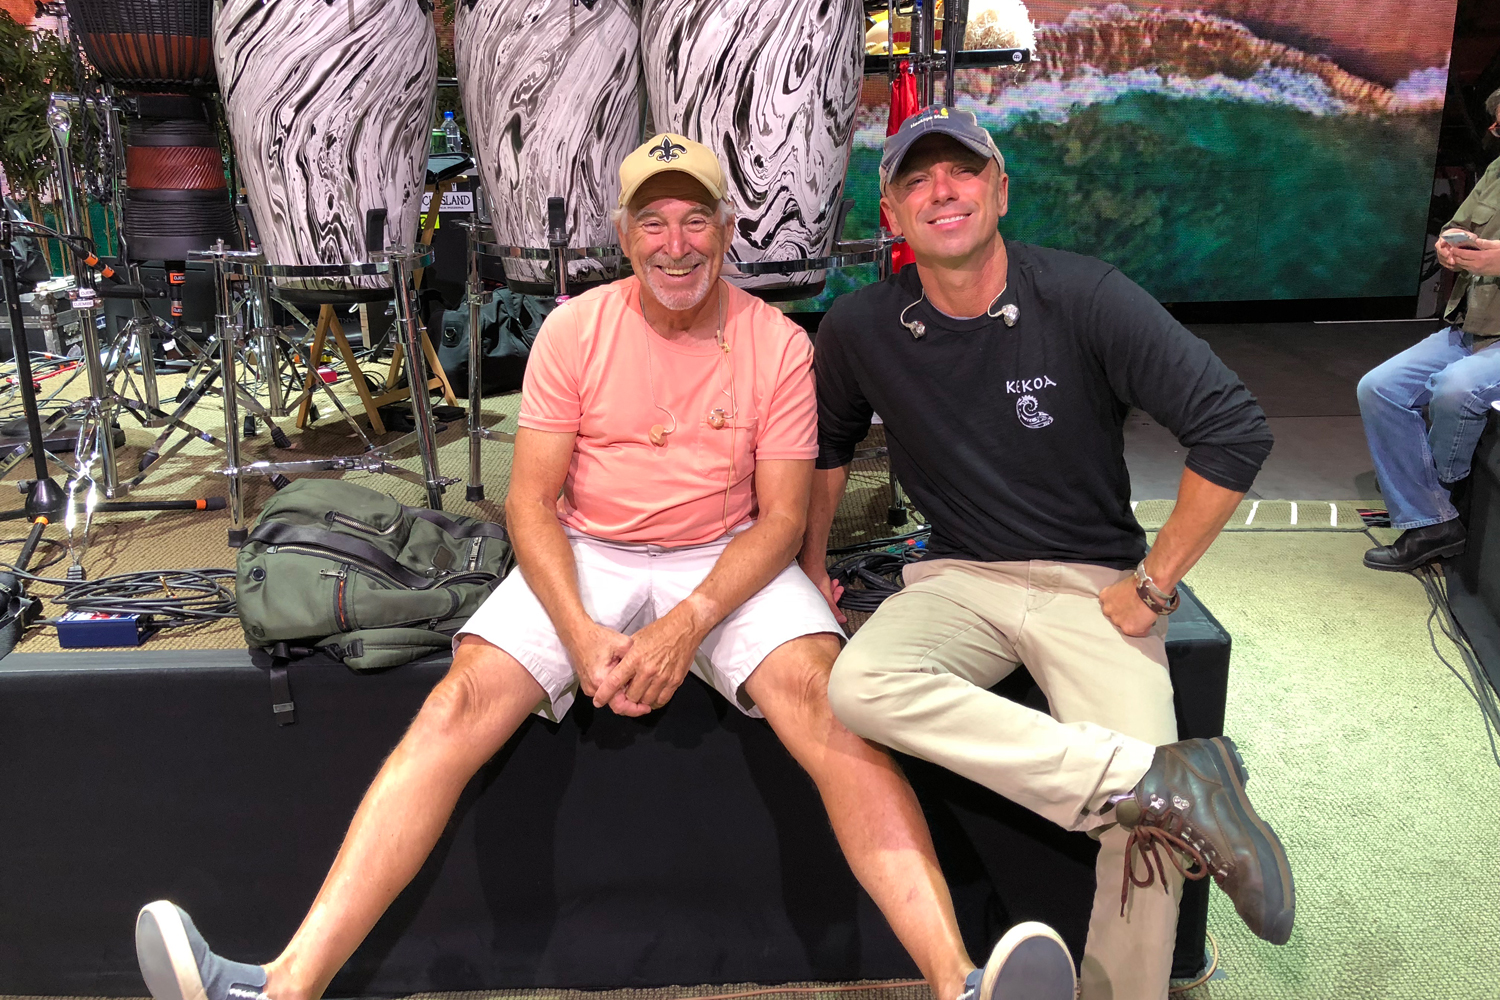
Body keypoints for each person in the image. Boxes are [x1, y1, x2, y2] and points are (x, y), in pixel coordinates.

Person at [131, 135, 1077, 1000]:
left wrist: (686, 623)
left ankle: (956, 981)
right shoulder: (574, 331)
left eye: (696, 219)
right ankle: (284, 985)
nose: (676, 244)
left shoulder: (781, 344)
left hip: (727, 550)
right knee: (459, 702)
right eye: (653, 222)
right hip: (589, 548)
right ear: (623, 236)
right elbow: (529, 503)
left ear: (728, 230)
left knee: (828, 706)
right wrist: (581, 633)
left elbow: (784, 518)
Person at [799, 106, 1296, 1000]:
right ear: (891, 215)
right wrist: (810, 565)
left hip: (1093, 582)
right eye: (917, 180)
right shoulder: (861, 326)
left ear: (1000, 190)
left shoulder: (1085, 294)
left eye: (962, 172)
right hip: (955, 576)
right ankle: (1157, 780)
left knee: (1146, 836)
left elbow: (1232, 428)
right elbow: (829, 450)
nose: (942, 191)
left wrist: (1156, 583)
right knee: (858, 686)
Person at [1357, 87, 1500, 572]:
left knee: (1456, 389)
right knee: (1379, 388)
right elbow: (1458, 225)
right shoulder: (1497, 172)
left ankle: (1437, 504)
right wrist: (1448, 246)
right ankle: (1433, 518)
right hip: (1474, 325)